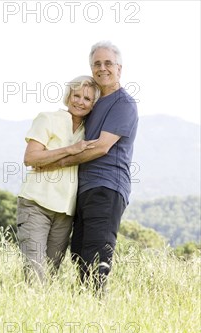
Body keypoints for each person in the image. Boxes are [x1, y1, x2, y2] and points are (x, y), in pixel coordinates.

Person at [46, 41, 139, 292]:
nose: (102, 68)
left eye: (108, 63)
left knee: (96, 257)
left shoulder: (123, 103)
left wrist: (57, 161)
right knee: (78, 253)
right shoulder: (94, 102)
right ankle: (85, 308)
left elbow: (101, 147)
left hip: (107, 187)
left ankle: (97, 316)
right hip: (84, 188)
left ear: (119, 68)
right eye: (97, 63)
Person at [17, 76, 100, 285]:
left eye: (87, 99)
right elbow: (30, 158)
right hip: (36, 204)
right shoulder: (48, 118)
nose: (80, 102)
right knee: (34, 272)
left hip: (65, 212)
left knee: (51, 273)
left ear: (93, 105)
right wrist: (69, 149)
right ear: (68, 96)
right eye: (77, 95)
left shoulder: (89, 131)